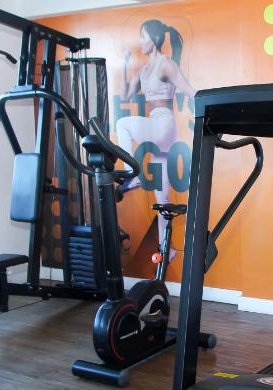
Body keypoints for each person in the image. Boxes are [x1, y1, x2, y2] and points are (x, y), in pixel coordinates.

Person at [116, 19, 196, 261]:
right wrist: (125, 64)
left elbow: (190, 90)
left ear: (155, 39)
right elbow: (125, 94)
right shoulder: (144, 70)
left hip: (163, 124)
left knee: (123, 124)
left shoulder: (166, 64)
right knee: (163, 199)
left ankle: (132, 174)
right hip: (160, 132)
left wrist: (209, 108)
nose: (140, 41)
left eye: (143, 36)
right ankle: (167, 250)